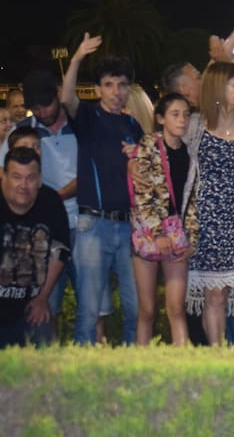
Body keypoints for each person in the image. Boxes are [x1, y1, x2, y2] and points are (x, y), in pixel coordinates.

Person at [60, 34, 143, 345]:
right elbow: (67, 98)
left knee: (137, 307)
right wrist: (77, 57)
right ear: (97, 89)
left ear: (129, 89)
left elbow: (143, 178)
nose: (115, 92)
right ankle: (85, 371)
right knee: (89, 309)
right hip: (93, 225)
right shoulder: (89, 117)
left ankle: (132, 367)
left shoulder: (133, 126)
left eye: (122, 85)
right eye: (108, 85)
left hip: (129, 226)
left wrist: (136, 160)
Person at [3, 70, 79, 343]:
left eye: (46, 104)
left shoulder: (78, 124)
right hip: (35, 234)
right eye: (35, 107)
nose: (43, 112)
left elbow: (59, 251)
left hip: (80, 223)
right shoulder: (22, 131)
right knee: (42, 311)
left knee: (83, 310)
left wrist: (42, 297)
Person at [187, 61, 234, 346]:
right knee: (214, 294)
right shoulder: (195, 125)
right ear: (217, 87)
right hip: (207, 221)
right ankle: (217, 356)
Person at [126, 93, 198, 345]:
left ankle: (181, 367)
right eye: (175, 114)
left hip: (177, 234)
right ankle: (141, 367)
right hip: (149, 233)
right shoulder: (148, 146)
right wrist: (158, 234)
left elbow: (191, 201)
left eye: (186, 114)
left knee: (177, 307)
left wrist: (192, 239)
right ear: (161, 118)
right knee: (147, 309)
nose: (182, 120)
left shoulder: (190, 153)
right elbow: (142, 194)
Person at [0, 147, 70, 348]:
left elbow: (60, 250)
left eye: (30, 178)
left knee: (42, 324)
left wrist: (42, 297)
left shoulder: (50, 202)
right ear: (3, 176)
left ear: (39, 180)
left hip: (29, 303)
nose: (23, 185)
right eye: (16, 177)